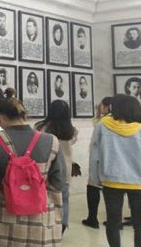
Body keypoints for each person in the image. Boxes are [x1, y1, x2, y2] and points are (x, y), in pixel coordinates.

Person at [0, 96, 65, 247]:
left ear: (1, 117)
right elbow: (58, 182)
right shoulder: (51, 140)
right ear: (24, 115)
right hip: (40, 221)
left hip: (3, 220)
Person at [89, 94, 141, 247]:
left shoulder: (102, 125)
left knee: (113, 222)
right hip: (138, 182)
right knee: (139, 224)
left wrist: (94, 179)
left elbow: (94, 154)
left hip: (111, 180)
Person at [35, 100, 78, 234]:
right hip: (65, 169)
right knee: (64, 198)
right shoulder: (72, 131)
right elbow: (73, 141)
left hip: (46, 167)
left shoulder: (41, 127)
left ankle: (46, 224)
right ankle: (62, 225)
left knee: (45, 197)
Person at [82, 96, 112, 229]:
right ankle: (113, 219)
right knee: (111, 189)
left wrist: (99, 113)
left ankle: (92, 218)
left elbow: (95, 141)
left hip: (99, 158)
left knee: (93, 186)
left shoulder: (103, 122)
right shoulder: (121, 121)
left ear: (106, 106)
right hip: (113, 160)